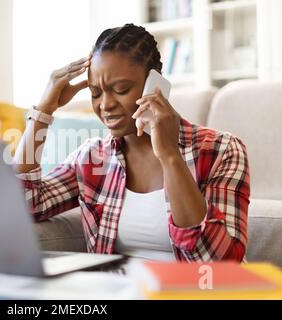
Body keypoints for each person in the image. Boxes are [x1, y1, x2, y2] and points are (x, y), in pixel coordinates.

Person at [13, 23, 250, 262]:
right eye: (96, 93)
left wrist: (170, 156)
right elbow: (23, 205)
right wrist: (44, 110)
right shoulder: (92, 159)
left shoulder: (222, 150)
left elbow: (220, 264)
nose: (105, 104)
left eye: (121, 89)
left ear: (154, 84)